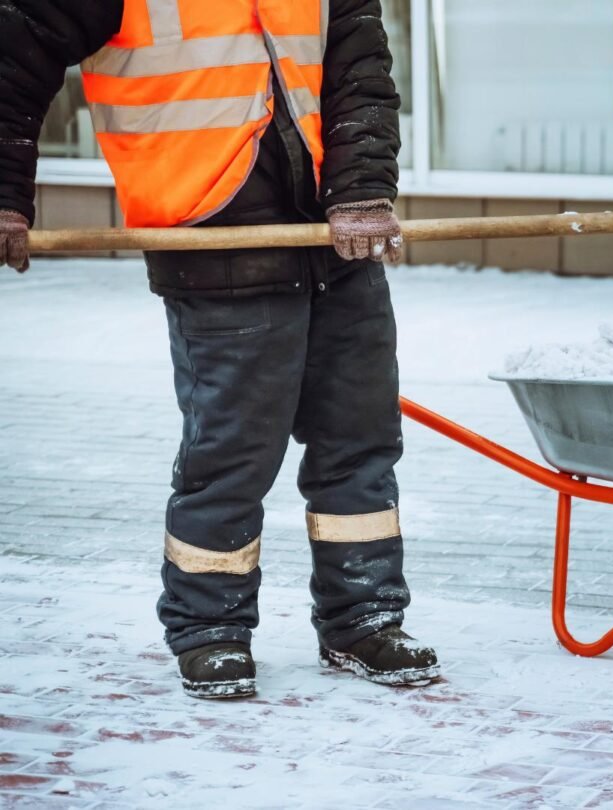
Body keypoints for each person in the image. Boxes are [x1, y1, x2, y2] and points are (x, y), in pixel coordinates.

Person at [0, 0, 439, 699]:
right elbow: (12, 54)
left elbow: (359, 71)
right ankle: (211, 630)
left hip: (337, 238)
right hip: (212, 233)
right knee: (233, 454)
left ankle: (366, 618)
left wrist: (361, 192)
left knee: (359, 441)